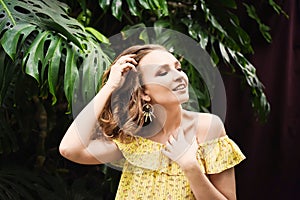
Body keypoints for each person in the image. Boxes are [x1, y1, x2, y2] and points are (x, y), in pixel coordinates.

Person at [59, 44, 246, 200]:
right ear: (144, 93)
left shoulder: (207, 128)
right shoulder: (132, 138)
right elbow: (70, 149)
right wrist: (110, 87)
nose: (179, 76)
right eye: (163, 73)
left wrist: (190, 166)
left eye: (178, 68)